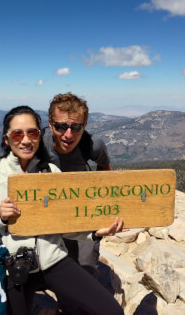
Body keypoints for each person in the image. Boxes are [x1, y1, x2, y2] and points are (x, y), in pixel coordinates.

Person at [0, 106, 124, 315]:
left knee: (111, 311)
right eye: (18, 134)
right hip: (15, 266)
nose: (26, 140)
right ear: (6, 139)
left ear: (39, 135)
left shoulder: (51, 171)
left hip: (54, 260)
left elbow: (61, 224)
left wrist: (93, 233)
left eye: (32, 132)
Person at [41, 92, 110, 277]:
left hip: (82, 211)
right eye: (61, 126)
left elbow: (104, 165)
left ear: (85, 125)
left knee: (84, 268)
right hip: (46, 211)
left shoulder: (92, 144)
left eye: (76, 127)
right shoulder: (37, 144)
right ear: (50, 123)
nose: (68, 135)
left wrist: (98, 200)